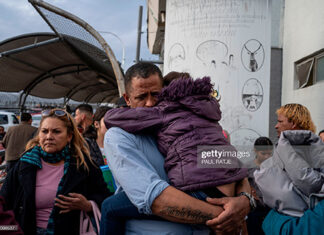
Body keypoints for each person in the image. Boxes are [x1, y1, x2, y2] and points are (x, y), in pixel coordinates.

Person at [101, 62, 252, 234]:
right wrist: (228, 217)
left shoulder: (180, 128)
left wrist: (244, 201)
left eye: (156, 95)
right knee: (110, 207)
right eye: (141, 97)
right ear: (127, 99)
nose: (150, 103)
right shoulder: (120, 137)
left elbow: (233, 169)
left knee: (109, 207)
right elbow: (156, 200)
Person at [0, 108, 112, 235]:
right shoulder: (24, 165)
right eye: (44, 131)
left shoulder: (84, 165)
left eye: (56, 132)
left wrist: (88, 205)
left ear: (69, 136)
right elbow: (4, 204)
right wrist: (13, 230)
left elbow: (105, 197)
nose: (49, 137)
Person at [255, 103, 324, 218]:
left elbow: (307, 183)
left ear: (293, 123)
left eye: (280, 122)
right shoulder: (285, 151)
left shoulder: (299, 151)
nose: (276, 126)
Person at [246, 137, 273, 235]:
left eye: (269, 154)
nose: (266, 157)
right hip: (253, 211)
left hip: (271, 210)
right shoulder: (247, 167)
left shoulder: (274, 167)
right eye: (263, 153)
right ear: (255, 151)